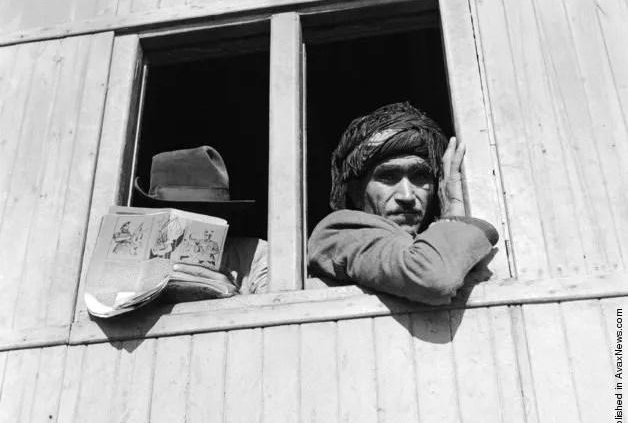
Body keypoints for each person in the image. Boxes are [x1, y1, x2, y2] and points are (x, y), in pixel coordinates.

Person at [308, 102, 498, 305]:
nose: (407, 196)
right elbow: (433, 277)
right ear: (356, 192)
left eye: (420, 176)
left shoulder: (431, 240)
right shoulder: (339, 231)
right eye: (388, 176)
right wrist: (455, 218)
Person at [135, 145, 267, 296]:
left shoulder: (256, 256)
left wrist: (230, 298)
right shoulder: (137, 258)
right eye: (174, 215)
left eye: (199, 214)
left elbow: (275, 312)